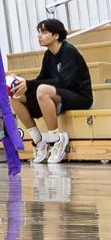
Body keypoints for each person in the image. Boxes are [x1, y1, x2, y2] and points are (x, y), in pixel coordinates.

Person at [14, 19, 93, 165]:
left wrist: (29, 84)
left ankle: (56, 140)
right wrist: (21, 82)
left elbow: (64, 82)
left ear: (56, 35)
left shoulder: (68, 51)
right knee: (15, 95)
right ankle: (39, 141)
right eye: (39, 32)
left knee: (42, 90)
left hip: (79, 97)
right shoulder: (48, 55)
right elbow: (41, 79)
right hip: (59, 95)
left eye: (44, 32)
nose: (39, 36)